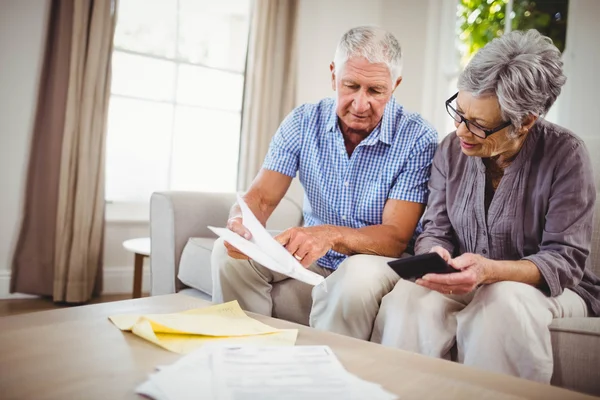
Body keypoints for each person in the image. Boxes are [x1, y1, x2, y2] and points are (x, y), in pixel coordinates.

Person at [370, 29, 600, 383]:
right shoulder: (450, 150)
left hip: (553, 290)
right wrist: (437, 256)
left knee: (502, 302)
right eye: (459, 112)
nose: (461, 130)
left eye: (478, 125)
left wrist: (489, 271)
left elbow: (564, 261)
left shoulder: (566, 155)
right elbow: (436, 229)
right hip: (467, 278)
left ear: (525, 122)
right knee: (409, 298)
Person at [211, 26, 438, 340]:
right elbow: (261, 198)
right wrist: (240, 222)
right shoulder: (303, 121)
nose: (360, 104)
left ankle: (326, 379)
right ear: (334, 76)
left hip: (378, 259)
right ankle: (247, 352)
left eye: (375, 91)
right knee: (227, 256)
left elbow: (396, 237)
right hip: (314, 254)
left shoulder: (418, 137)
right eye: (351, 86)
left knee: (354, 278)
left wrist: (329, 235)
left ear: (395, 85)